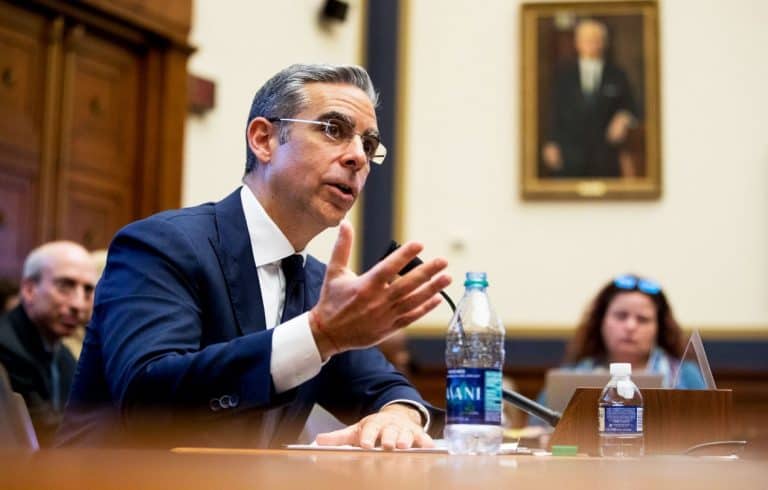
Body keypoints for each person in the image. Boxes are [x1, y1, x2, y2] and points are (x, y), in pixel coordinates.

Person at [58, 64, 452, 450]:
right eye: (334, 130)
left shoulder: (317, 283)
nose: (358, 157)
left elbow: (384, 387)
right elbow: (146, 398)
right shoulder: (161, 244)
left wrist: (400, 415)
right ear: (264, 140)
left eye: (368, 144)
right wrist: (317, 336)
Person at [531, 274, 705, 424]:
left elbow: (709, 434)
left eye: (642, 319)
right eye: (621, 316)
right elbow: (534, 431)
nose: (630, 326)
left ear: (659, 328)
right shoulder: (568, 377)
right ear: (601, 322)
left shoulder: (685, 376)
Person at [0, 241, 97, 446]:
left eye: (88, 291)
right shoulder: (5, 346)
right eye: (65, 286)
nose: (79, 304)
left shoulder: (64, 355)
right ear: (29, 290)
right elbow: (45, 434)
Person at [541, 19, 638, 178]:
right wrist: (551, 142)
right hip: (569, 156)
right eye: (586, 39)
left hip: (605, 157)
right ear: (577, 43)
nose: (591, 43)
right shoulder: (564, 75)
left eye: (595, 39)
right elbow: (554, 111)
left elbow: (633, 108)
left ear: (604, 42)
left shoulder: (617, 75)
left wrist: (624, 117)